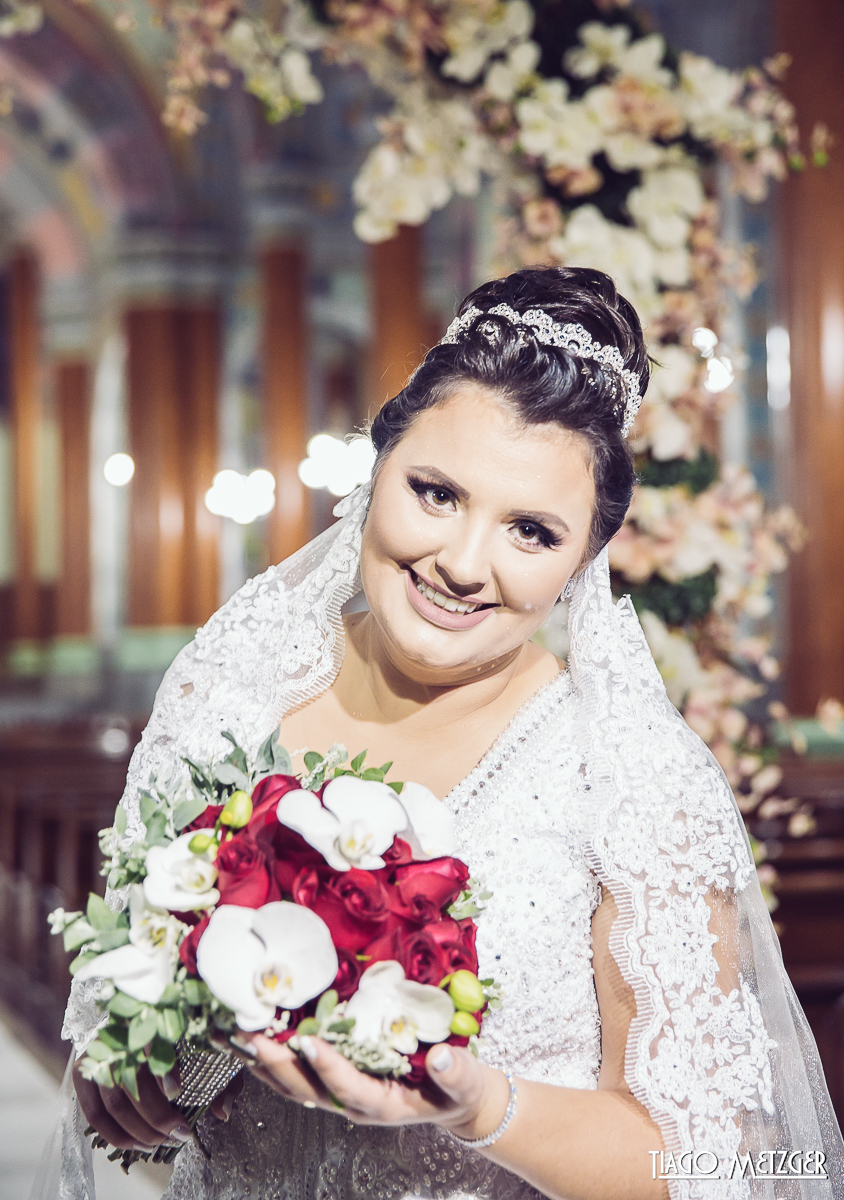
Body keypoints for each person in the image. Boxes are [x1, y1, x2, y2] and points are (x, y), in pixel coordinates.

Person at [53, 267, 842, 1200]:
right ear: (376, 467)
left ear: (583, 562)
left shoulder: (631, 780)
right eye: (435, 493)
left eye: (532, 533)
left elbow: (714, 1162)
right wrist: (140, 1066)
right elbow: (143, 1000)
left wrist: (481, 1108)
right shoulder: (234, 686)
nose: (464, 566)